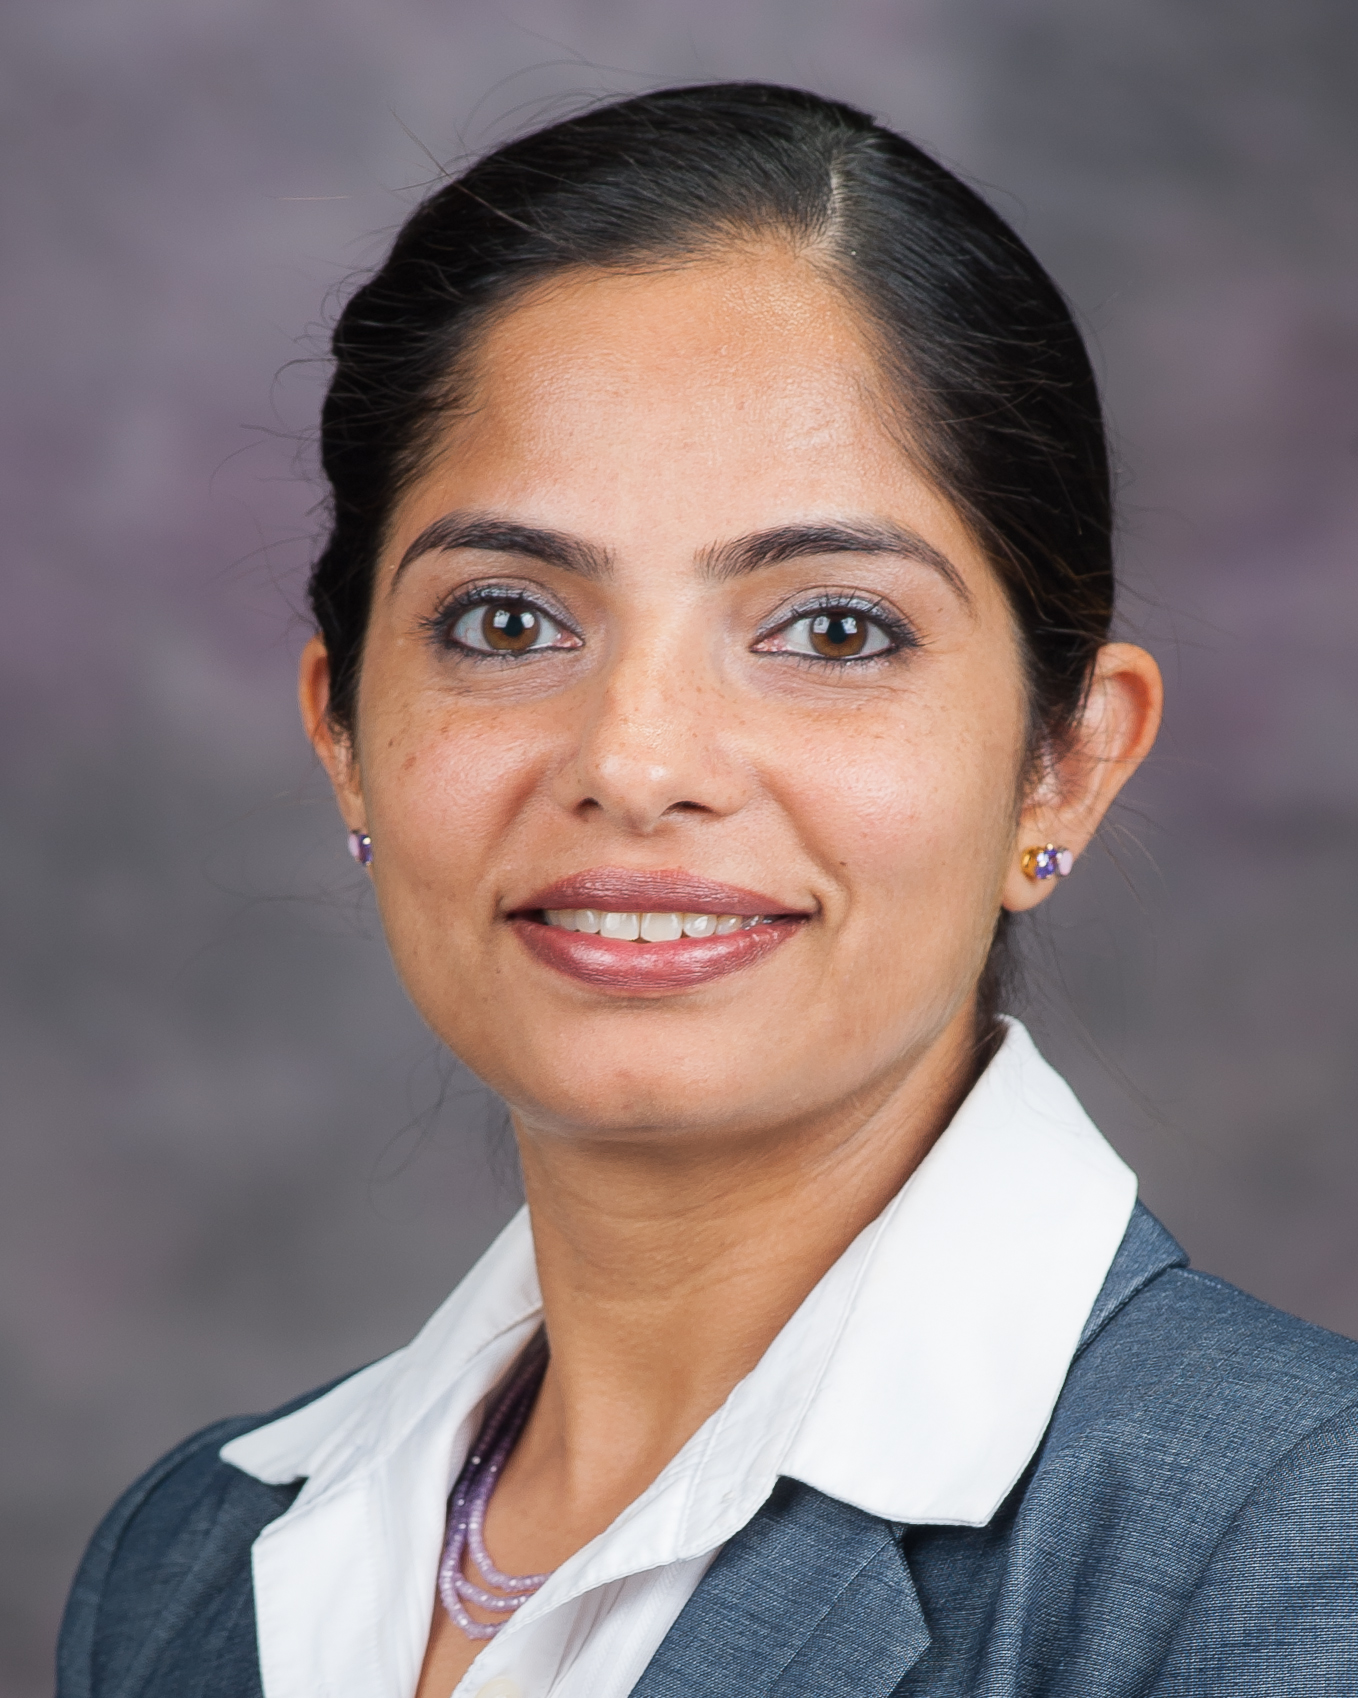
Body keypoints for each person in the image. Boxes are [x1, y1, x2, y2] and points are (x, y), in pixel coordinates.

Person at [57, 83, 1358, 1698]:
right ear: (343, 732)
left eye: (830, 629)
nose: (638, 758)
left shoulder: (1292, 1546)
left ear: (1064, 761)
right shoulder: (183, 1562)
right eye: (507, 621)